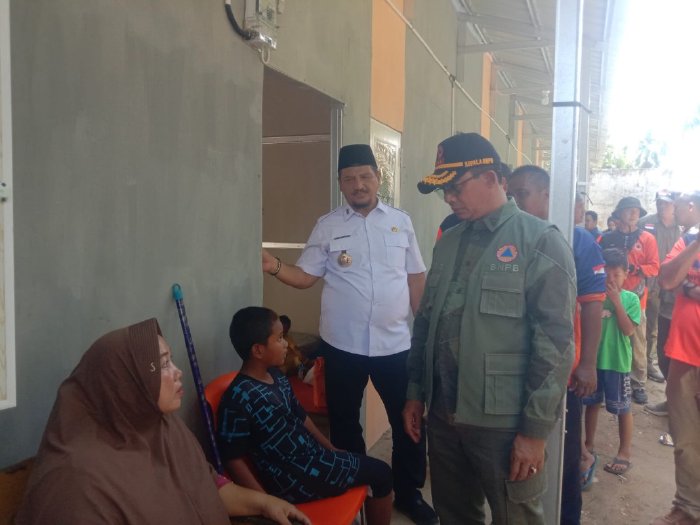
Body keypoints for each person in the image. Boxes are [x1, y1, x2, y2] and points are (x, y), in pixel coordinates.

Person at [404, 133, 576, 524]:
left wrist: (534, 432)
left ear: (492, 177)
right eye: (444, 190)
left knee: (516, 517)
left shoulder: (539, 241)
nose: (449, 198)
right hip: (444, 414)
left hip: (503, 421)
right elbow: (427, 322)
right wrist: (415, 392)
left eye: (455, 187)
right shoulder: (449, 242)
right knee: (454, 514)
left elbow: (555, 346)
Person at [260, 144, 436, 524]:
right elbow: (305, 277)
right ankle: (355, 490)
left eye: (365, 176)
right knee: (344, 423)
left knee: (408, 423)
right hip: (342, 345)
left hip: (395, 345)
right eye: (350, 178)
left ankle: (408, 494)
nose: (359, 185)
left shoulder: (401, 222)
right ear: (340, 183)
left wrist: (424, 331)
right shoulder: (328, 226)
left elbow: (415, 278)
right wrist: (273, 265)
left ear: (378, 178)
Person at [15, 319, 309, 525]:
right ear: (124, 384)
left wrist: (265, 503)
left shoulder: (163, 429)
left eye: (172, 360)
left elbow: (207, 487)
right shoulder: (76, 484)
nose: (178, 372)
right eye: (163, 364)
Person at [217, 306, 393, 525]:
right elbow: (233, 459)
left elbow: (300, 415)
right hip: (292, 479)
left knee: (371, 469)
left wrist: (330, 448)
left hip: (313, 459)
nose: (286, 344)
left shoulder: (276, 376)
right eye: (279, 338)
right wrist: (265, 502)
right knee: (382, 473)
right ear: (258, 350)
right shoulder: (238, 398)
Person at [507, 165, 606, 525]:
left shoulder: (577, 240)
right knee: (518, 464)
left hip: (560, 374)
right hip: (514, 371)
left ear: (547, 195)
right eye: (511, 195)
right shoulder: (509, 236)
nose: (515, 202)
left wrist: (588, 363)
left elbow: (592, 305)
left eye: (522, 194)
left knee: (563, 460)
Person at [652, 191, 700, 525]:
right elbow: (668, 278)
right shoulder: (687, 241)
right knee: (685, 437)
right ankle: (688, 507)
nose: (677, 209)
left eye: (680, 204)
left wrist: (692, 288)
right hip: (684, 354)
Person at [582, 248, 640, 477]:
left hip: (617, 363)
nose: (611, 279)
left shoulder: (631, 299)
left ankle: (625, 452)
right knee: (591, 403)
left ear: (626, 274)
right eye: (607, 274)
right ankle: (588, 444)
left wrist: (616, 301)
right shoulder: (593, 297)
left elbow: (628, 330)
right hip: (594, 362)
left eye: (617, 274)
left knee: (622, 408)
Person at [599, 196, 660, 404]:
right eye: (629, 209)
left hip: (635, 298)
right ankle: (603, 375)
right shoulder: (605, 238)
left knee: (638, 340)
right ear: (619, 213)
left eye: (637, 210)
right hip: (606, 297)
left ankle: (638, 383)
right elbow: (596, 262)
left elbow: (655, 267)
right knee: (605, 336)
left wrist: (635, 269)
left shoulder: (647, 239)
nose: (634, 213)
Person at [640, 190, 681, 392]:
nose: (661, 206)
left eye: (666, 203)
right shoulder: (646, 222)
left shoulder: (681, 226)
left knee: (663, 326)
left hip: (672, 285)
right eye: (659, 202)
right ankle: (644, 363)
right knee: (646, 324)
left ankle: (659, 362)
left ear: (674, 205)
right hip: (649, 282)